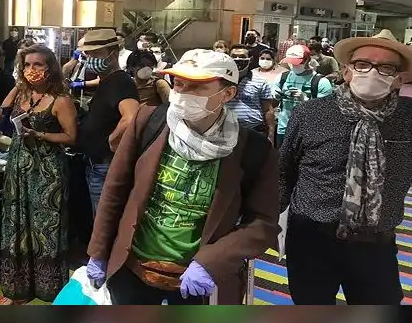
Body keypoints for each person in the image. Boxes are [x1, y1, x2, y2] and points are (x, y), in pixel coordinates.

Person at [85, 49, 280, 304]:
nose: (183, 93)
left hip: (197, 283)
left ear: (227, 94)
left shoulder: (253, 150)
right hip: (133, 270)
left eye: (197, 87)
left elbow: (263, 222)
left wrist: (213, 261)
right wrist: (98, 252)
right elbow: (115, 190)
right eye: (179, 83)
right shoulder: (148, 122)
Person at [279, 29, 412, 305]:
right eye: (362, 64)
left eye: (385, 67)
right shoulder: (311, 113)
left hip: (375, 243)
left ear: (399, 78)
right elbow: (284, 173)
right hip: (310, 239)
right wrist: (264, 222)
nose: (372, 73)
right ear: (347, 70)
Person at [0, 44, 78, 302]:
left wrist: (40, 134)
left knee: (46, 228)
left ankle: (48, 288)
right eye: (27, 65)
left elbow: (71, 137)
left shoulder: (61, 100)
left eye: (38, 65)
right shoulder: (20, 91)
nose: (31, 70)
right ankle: (18, 288)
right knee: (16, 223)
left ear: (50, 68)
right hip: (18, 164)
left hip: (48, 171)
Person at [75, 29, 140, 215]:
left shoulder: (122, 82)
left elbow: (131, 117)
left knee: (103, 216)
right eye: (88, 54)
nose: (91, 59)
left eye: (97, 54)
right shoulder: (107, 81)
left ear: (113, 52)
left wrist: (111, 140)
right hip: (97, 161)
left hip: (105, 164)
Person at [273, 44, 334, 148]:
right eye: (291, 62)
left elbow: (325, 111)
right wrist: (277, 97)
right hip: (284, 129)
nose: (294, 65)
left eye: (297, 62)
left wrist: (305, 100)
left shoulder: (321, 82)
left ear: (307, 60)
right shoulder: (282, 78)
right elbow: (273, 103)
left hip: (309, 131)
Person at [227, 44, 277, 139]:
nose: (237, 59)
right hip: (226, 131)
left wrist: (271, 135)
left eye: (242, 57)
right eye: (234, 57)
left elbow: (267, 110)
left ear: (250, 59)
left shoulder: (261, 82)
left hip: (253, 132)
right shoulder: (221, 81)